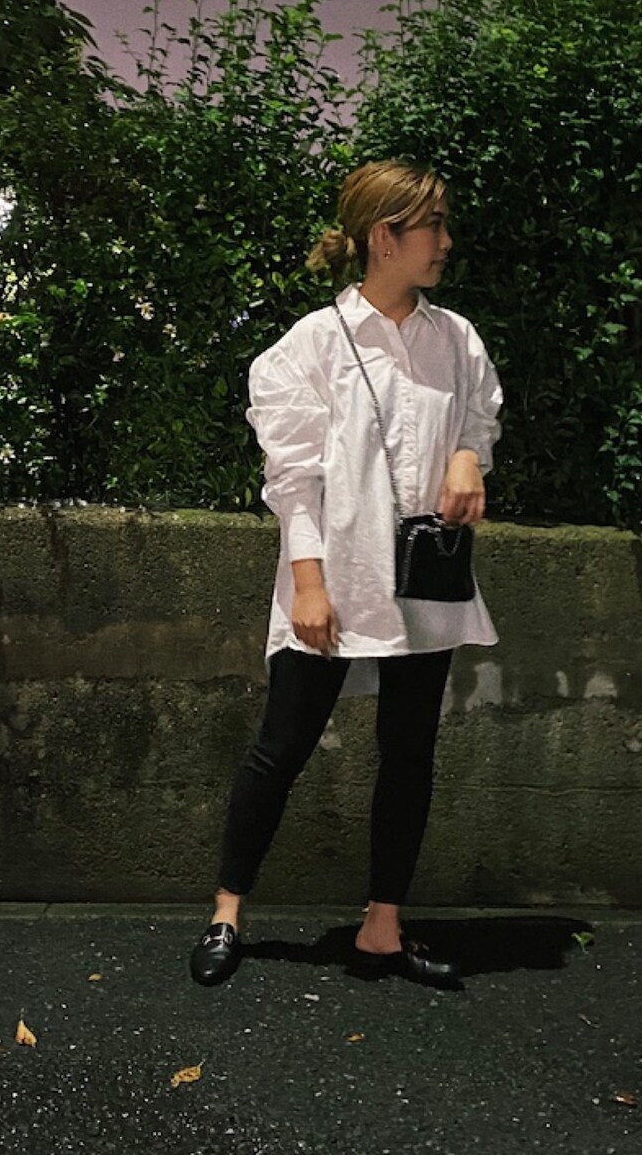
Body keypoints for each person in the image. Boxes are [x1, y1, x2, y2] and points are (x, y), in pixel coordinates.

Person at [189, 160, 503, 990]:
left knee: (409, 754)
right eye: (432, 225)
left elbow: (478, 414)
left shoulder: (456, 339)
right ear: (384, 238)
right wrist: (308, 586)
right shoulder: (313, 345)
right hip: (333, 577)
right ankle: (227, 911)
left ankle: (382, 926)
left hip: (424, 579)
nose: (446, 241)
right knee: (281, 748)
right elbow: (293, 480)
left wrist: (467, 454)